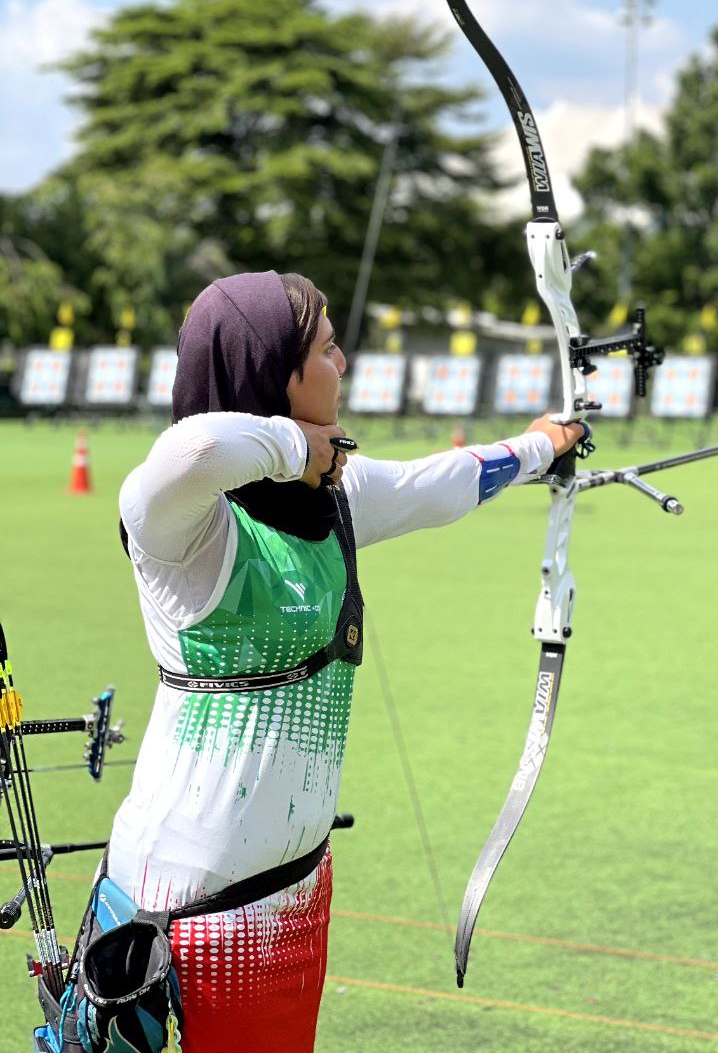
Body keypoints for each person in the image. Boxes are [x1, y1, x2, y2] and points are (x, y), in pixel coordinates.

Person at [111, 269, 584, 1053]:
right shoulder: (183, 529)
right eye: (326, 349)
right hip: (184, 915)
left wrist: (541, 448)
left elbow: (444, 484)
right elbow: (194, 447)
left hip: (294, 896)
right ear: (272, 375)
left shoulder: (336, 496)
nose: (345, 364)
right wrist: (297, 448)